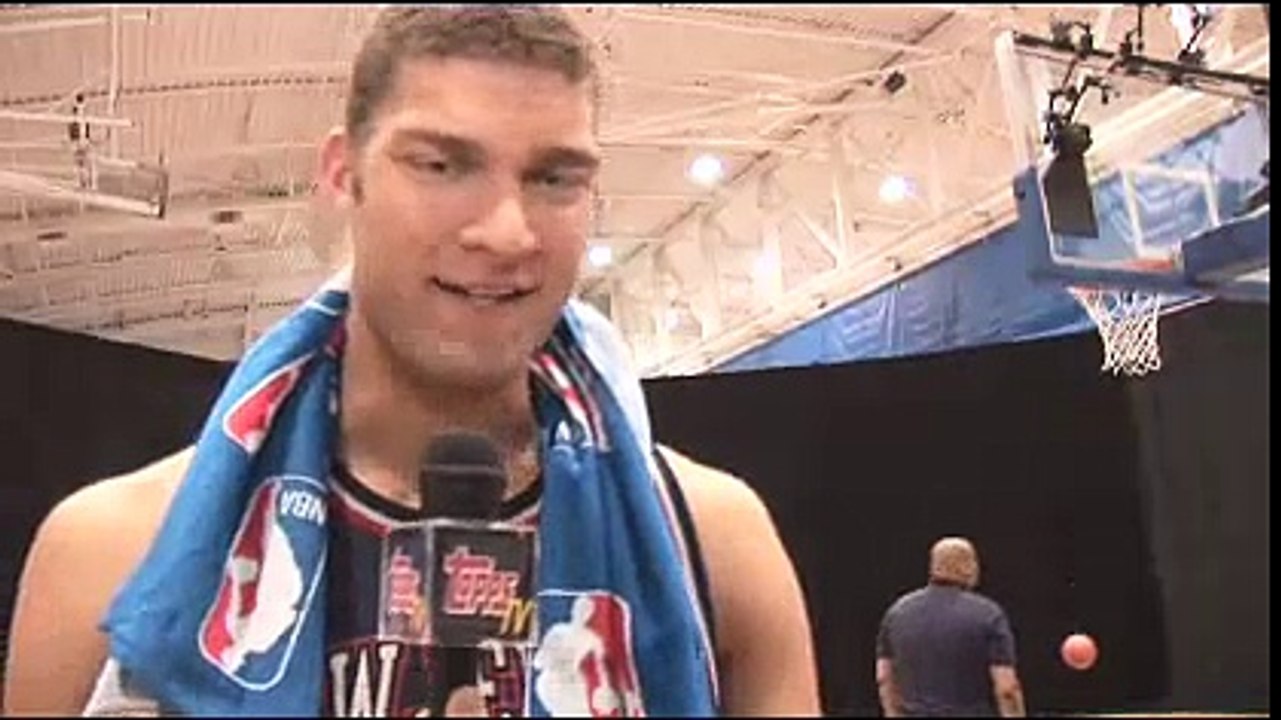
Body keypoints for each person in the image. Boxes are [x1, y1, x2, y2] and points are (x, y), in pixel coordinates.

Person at [2, 6, 820, 717]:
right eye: (441, 164)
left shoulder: (712, 544)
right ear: (341, 173)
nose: (506, 231)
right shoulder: (113, 555)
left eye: (553, 178)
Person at [875, 537, 1025, 717]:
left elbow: (884, 678)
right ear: (967, 567)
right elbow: (1006, 688)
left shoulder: (896, 613)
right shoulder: (989, 615)